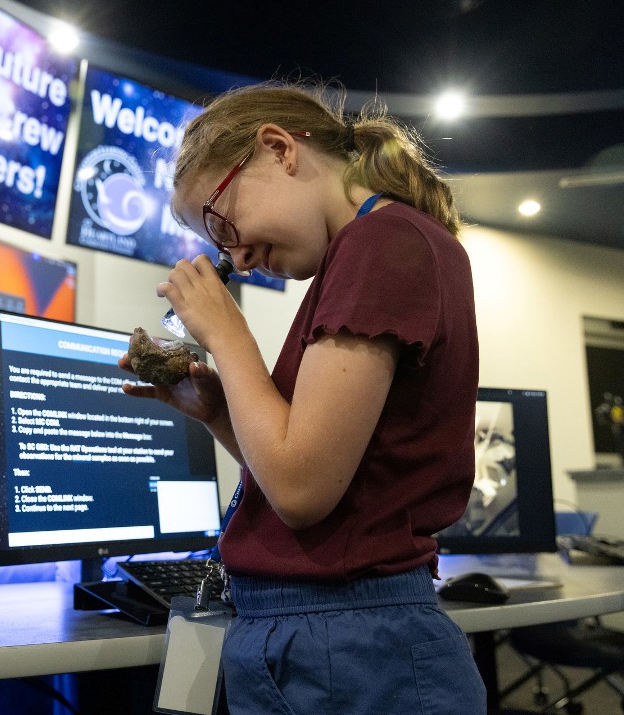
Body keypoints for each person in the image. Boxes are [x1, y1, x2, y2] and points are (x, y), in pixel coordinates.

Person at [120, 81, 486, 715]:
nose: (236, 257)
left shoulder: (380, 244)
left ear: (279, 149)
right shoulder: (383, 244)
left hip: (344, 646)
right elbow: (328, 474)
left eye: (222, 222)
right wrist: (219, 411)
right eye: (218, 244)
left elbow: (301, 490)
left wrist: (227, 335)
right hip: (343, 640)